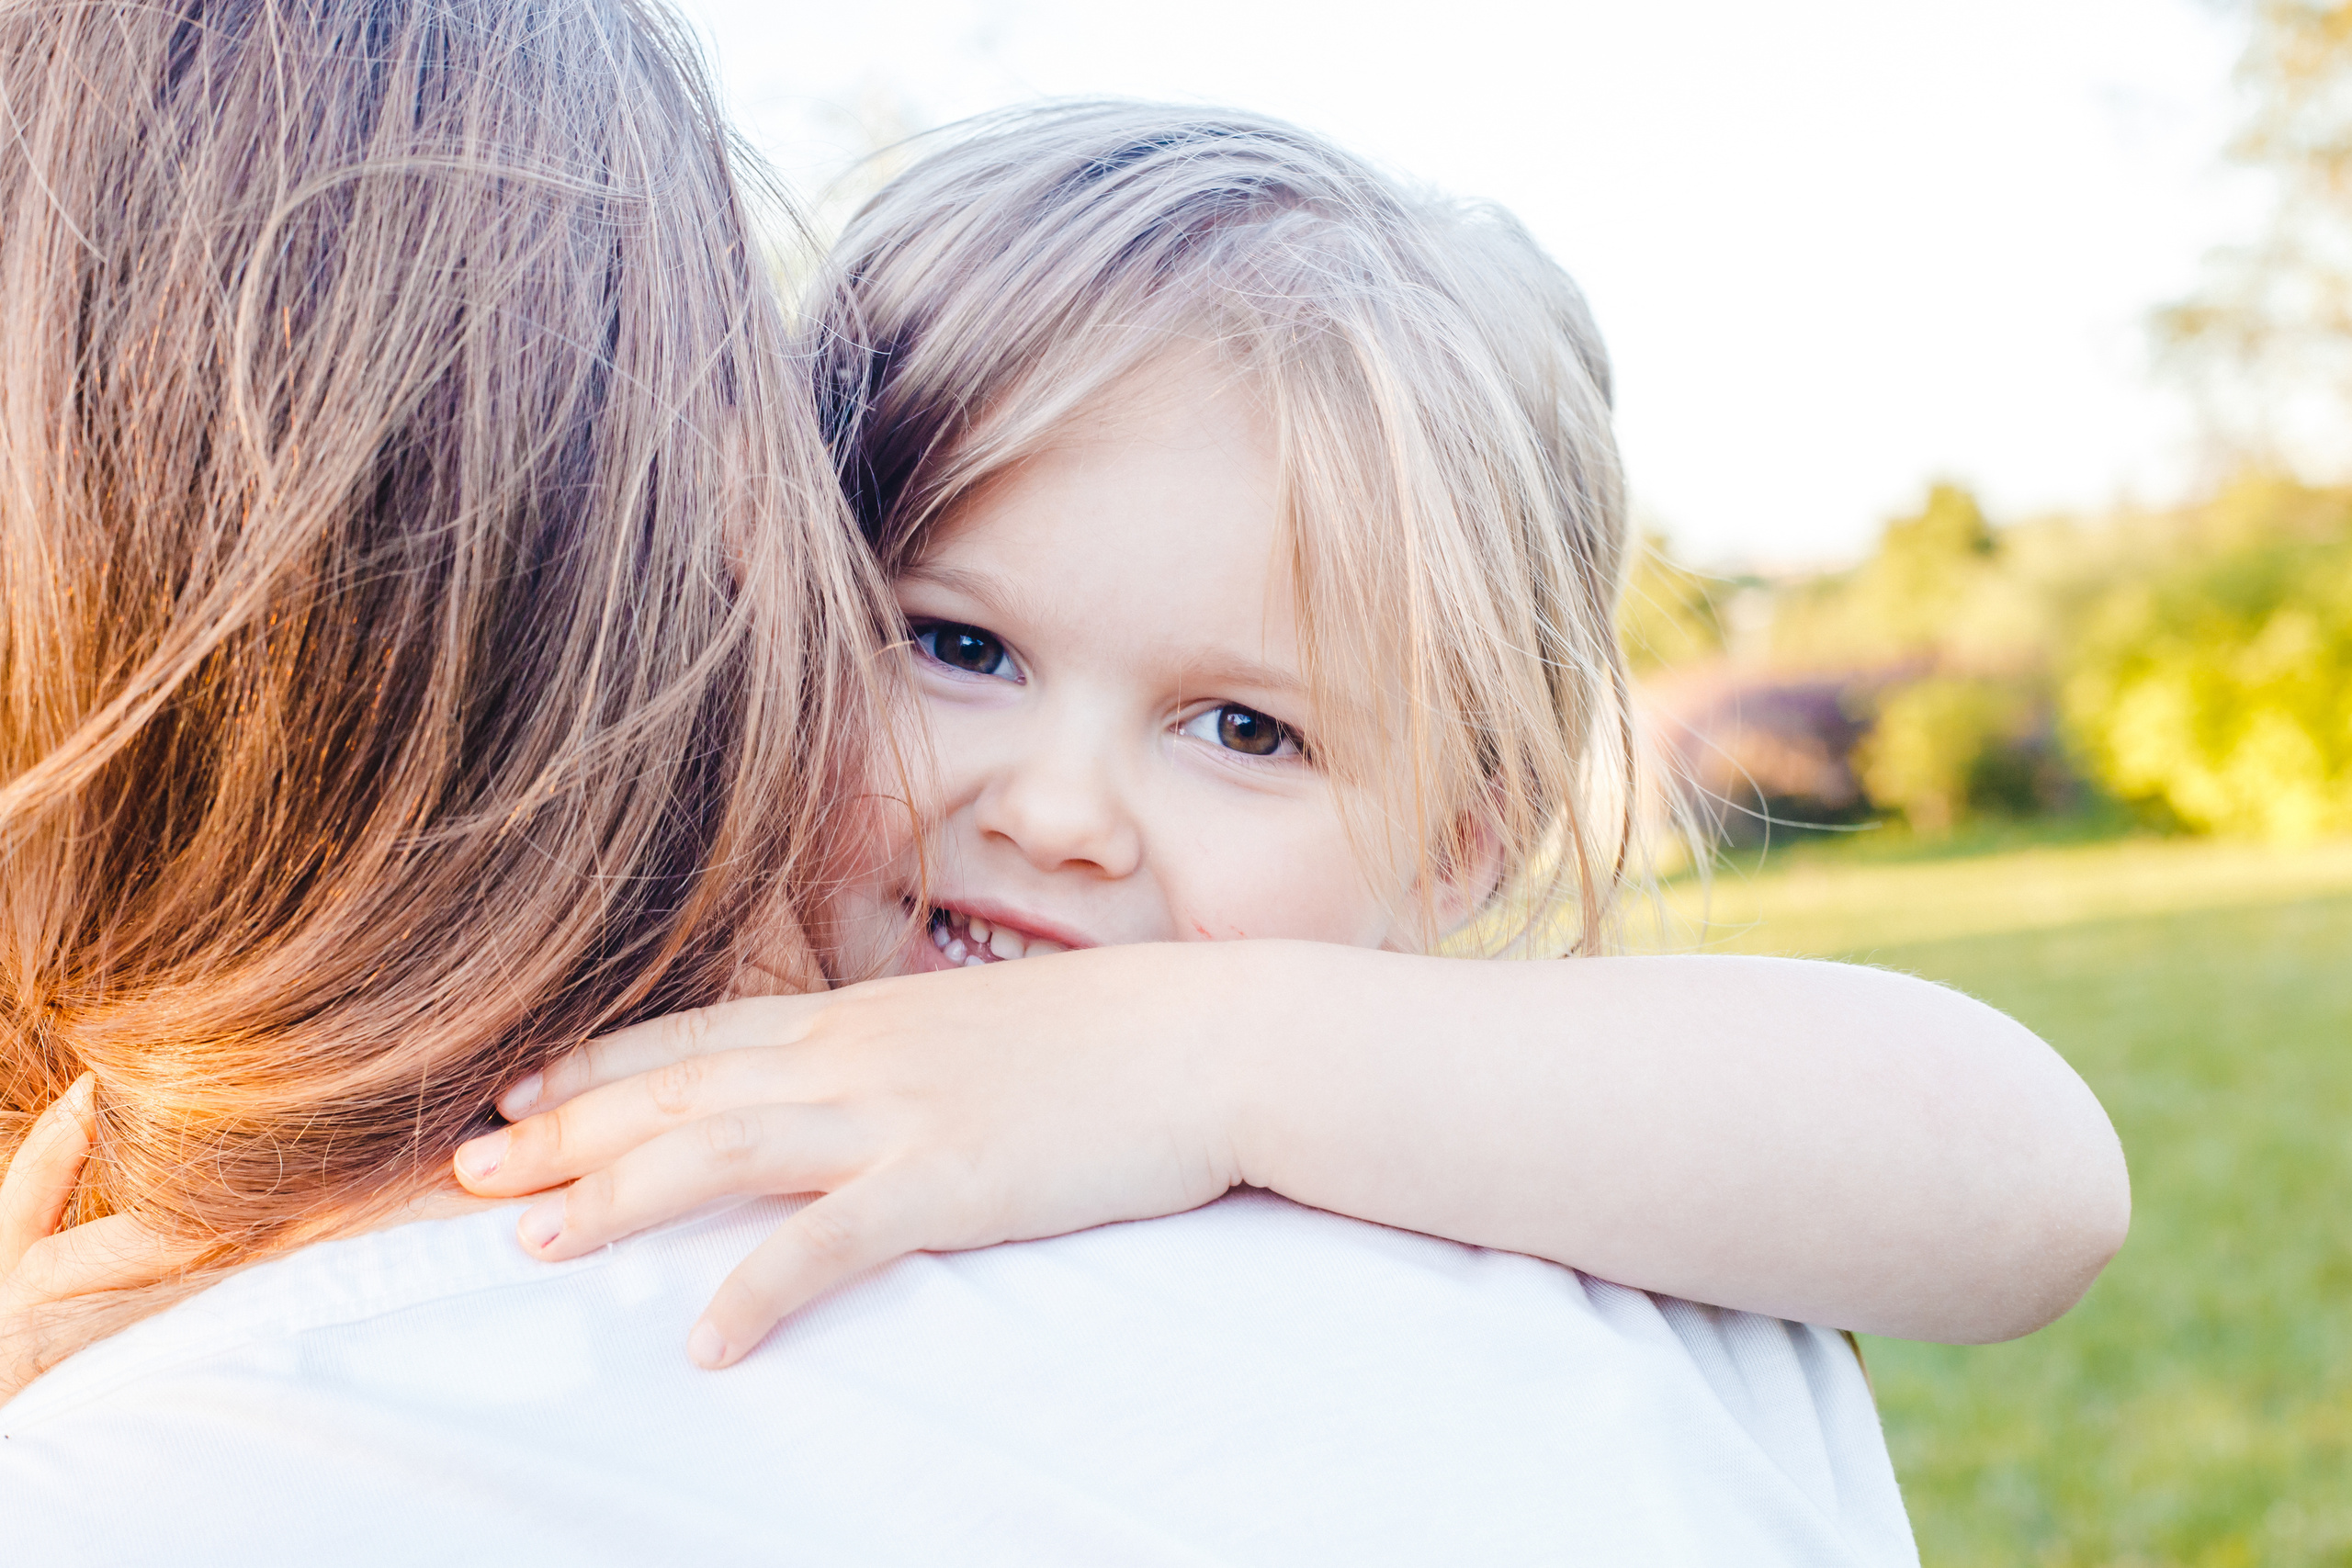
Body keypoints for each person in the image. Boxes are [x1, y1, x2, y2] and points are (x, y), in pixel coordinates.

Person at [0, 8, 2119, 1562]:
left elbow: (2024, 1180)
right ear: (762, 597)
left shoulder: (1412, 1097)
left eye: (1244, 729)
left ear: (1459, 843)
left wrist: (1215, 1060)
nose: (1060, 809)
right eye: (957, 646)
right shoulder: (619, 1028)